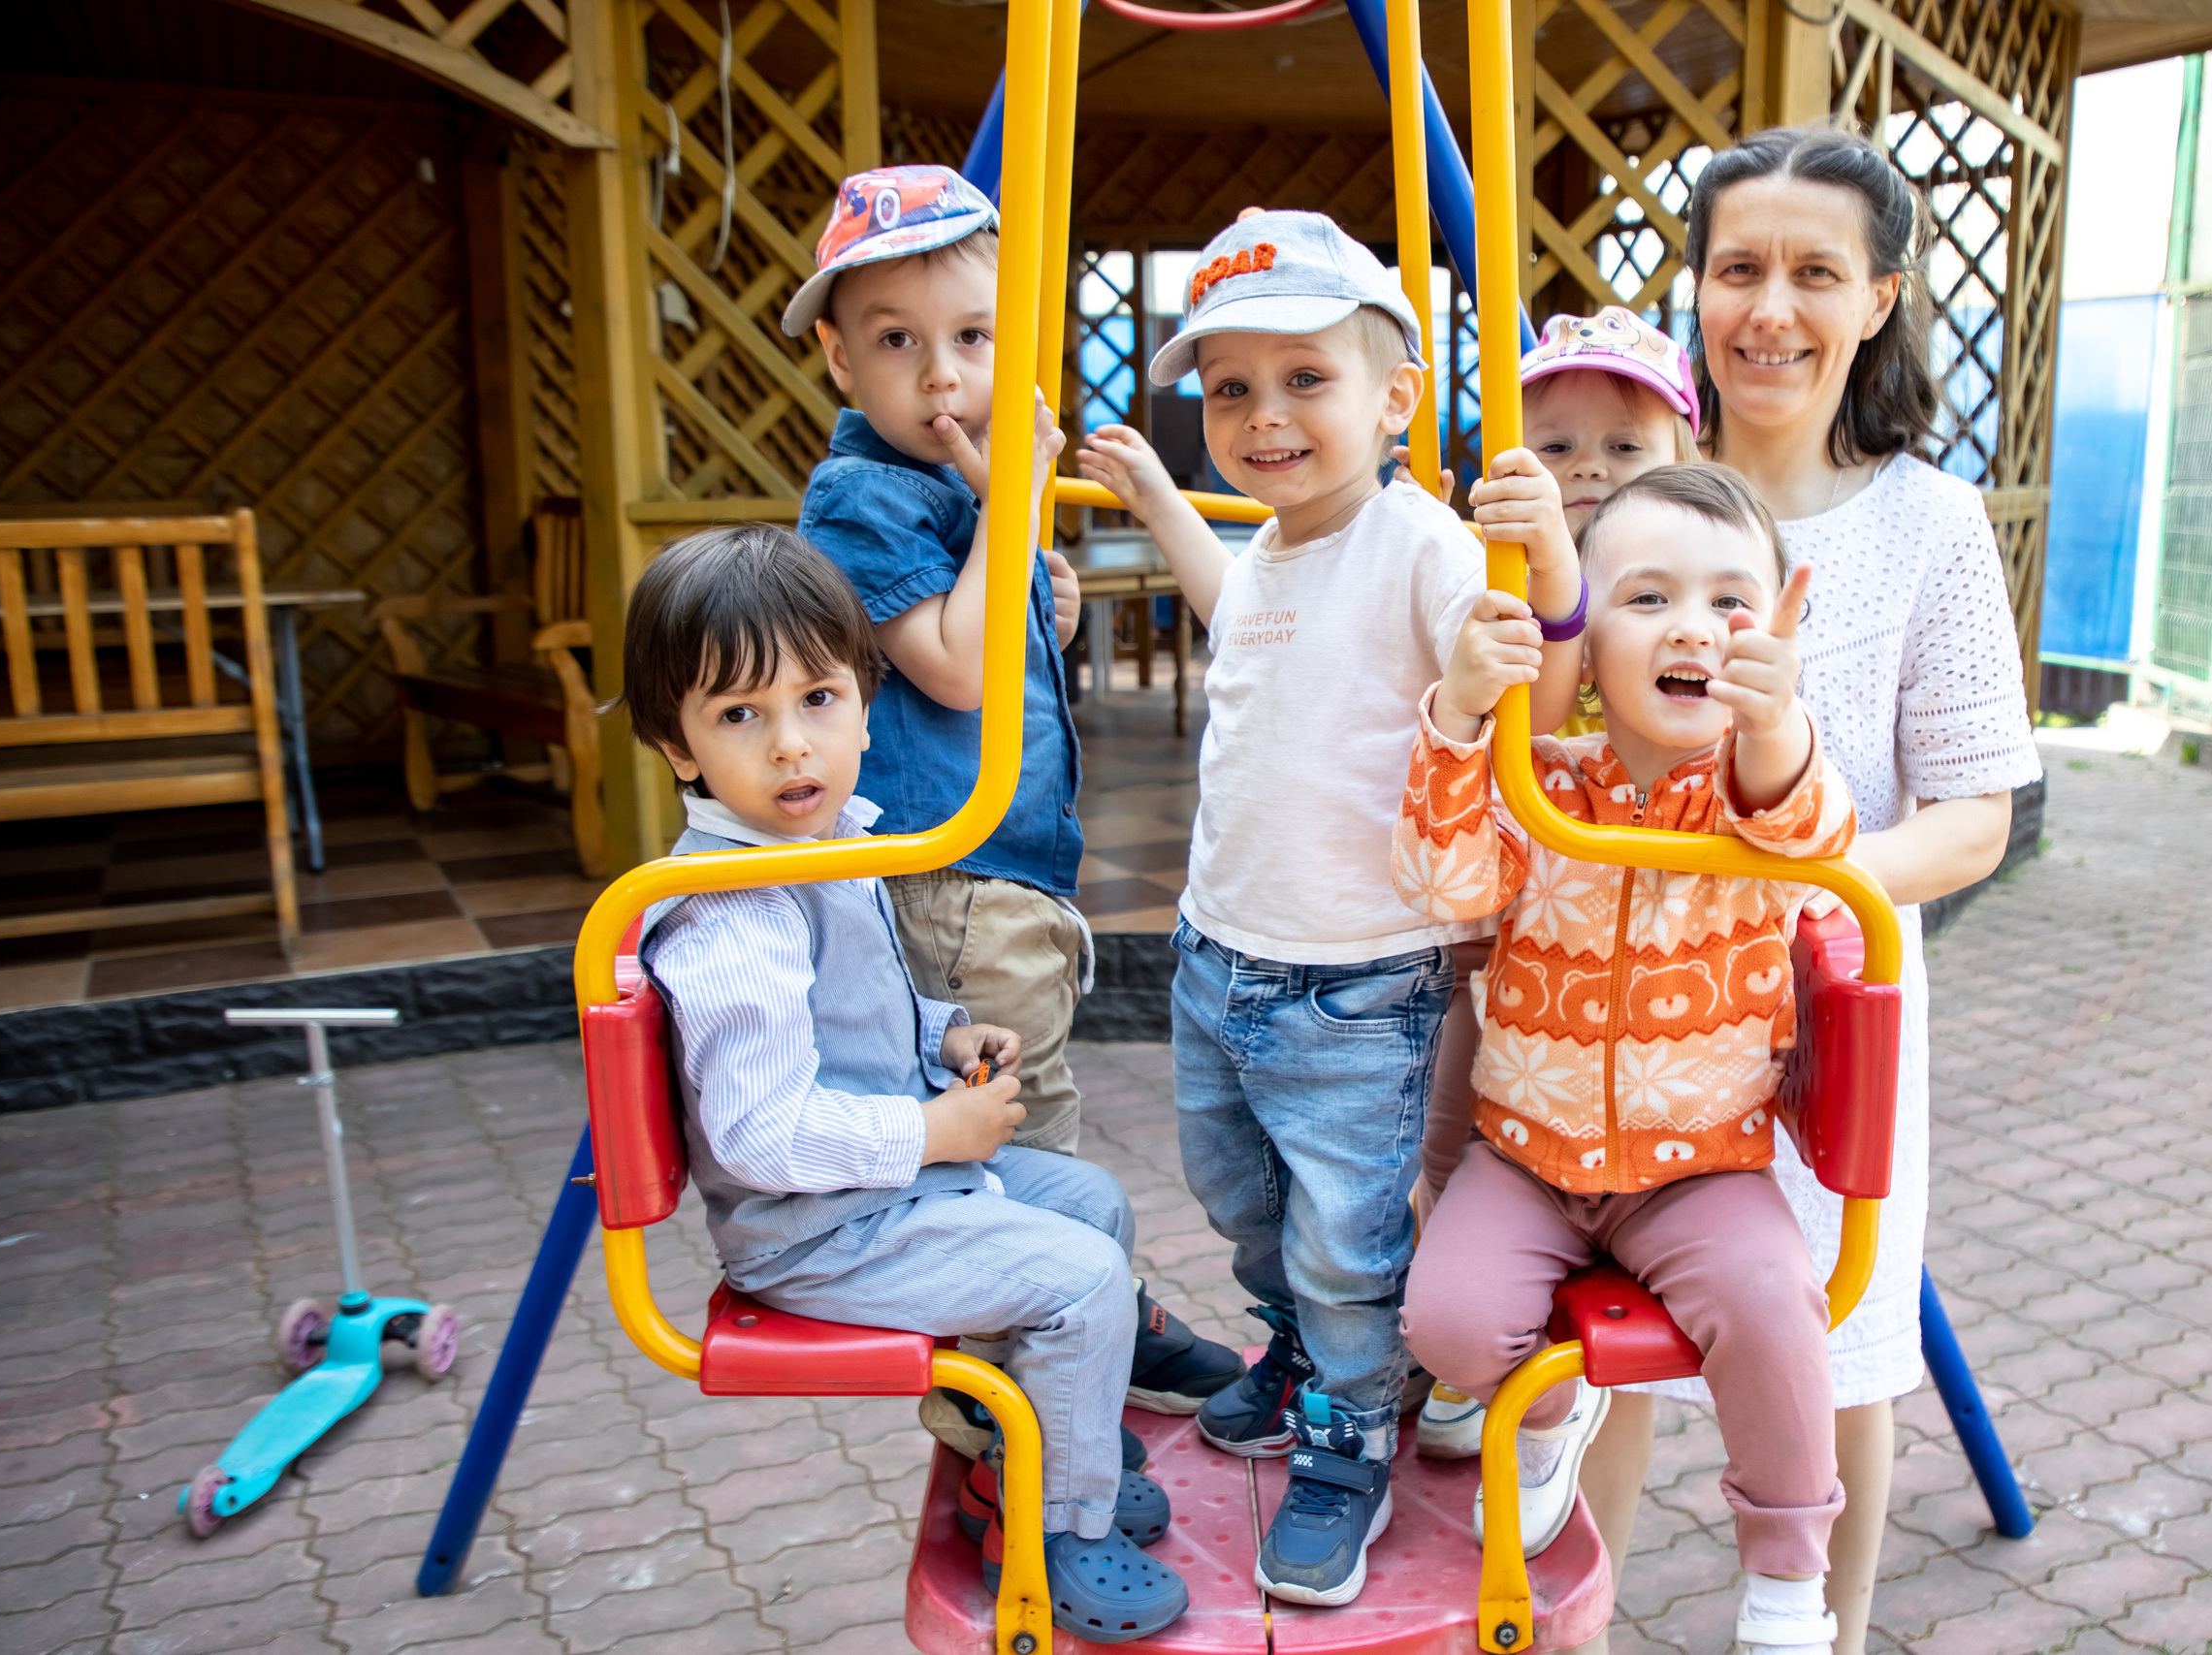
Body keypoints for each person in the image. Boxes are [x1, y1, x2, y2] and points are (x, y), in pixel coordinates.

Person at [1570, 126, 2046, 1655]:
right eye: (1738, 268)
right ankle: (1573, 1619)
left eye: (1814, 272)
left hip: (1827, 1013)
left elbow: (1974, 813)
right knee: (1608, 1357)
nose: (1769, 306)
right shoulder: (1625, 502)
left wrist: (1796, 893)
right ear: (1696, 290)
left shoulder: (1927, 522)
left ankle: (1820, 1635)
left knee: (1841, 1354)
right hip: (1623, 1015)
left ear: (1881, 298)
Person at [1074, 207, 1584, 1607]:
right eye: (1231, 386)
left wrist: (1542, 584)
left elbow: (1532, 708)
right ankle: (1299, 1347)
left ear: (1395, 398)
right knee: (1240, 1197)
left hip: (1360, 978)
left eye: (1305, 376)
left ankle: (1353, 1433)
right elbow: (1234, 607)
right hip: (1217, 956)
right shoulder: (1283, 551)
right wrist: (1161, 501)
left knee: (1346, 1234)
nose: (1264, 414)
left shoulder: (1423, 544)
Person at [621, 525, 1187, 1643]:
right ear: (676, 746)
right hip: (816, 1232)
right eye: (739, 716)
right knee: (1075, 1277)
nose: (792, 747)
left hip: (879, 1193)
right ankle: (1057, 1524)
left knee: (1093, 1205)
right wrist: (933, 1131)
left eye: (818, 699)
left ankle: (1047, 1446)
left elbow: (853, 1011)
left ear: (865, 706)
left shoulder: (828, 848)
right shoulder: (734, 912)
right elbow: (758, 1133)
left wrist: (945, 1038)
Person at [785, 165, 1243, 1427]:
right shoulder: (862, 494)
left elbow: (1006, 629)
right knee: (1007, 1141)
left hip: (1011, 871)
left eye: (973, 338)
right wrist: (1013, 510)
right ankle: (1009, 1402)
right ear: (836, 358)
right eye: (896, 342)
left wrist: (1044, 582)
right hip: (951, 878)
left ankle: (1092, 1324)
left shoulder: (964, 490)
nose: (941, 378)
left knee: (1039, 1124)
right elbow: (945, 658)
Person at [1394, 462, 1852, 1655]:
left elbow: (1816, 829)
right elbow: (1444, 884)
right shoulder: (1542, 785)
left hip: (1698, 1164)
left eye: (1730, 603)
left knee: (1773, 1304)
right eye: (1645, 598)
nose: (1693, 625)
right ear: (1583, 641)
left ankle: (1787, 1574)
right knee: (1443, 1324)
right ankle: (1546, 1420)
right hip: (1529, 1155)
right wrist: (1456, 715)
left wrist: (1777, 724)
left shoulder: (1755, 800)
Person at [1404, 305, 1705, 1461]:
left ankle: (1542, 1366)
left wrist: (1570, 584)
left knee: (1599, 1141)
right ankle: (1472, 1348)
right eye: (1560, 445)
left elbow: (1578, 713)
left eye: (1623, 449)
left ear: (1682, 458)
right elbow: (1507, 726)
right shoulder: (1501, 566)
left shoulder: (1677, 581)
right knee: (1452, 1123)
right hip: (1502, 906)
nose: (1587, 472)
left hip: (1622, 935)